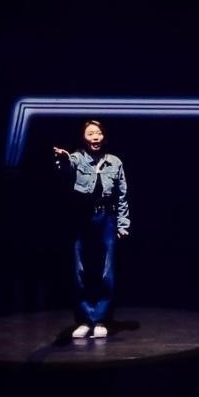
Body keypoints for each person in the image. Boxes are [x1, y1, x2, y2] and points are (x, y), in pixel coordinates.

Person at [52, 119, 129, 339]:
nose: (95, 137)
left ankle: (101, 319)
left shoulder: (115, 162)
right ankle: (85, 320)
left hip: (106, 218)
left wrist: (123, 223)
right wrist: (63, 159)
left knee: (106, 270)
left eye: (98, 133)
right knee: (81, 270)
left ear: (104, 136)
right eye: (90, 133)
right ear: (83, 138)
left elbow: (122, 195)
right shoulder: (77, 158)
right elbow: (67, 167)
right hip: (81, 218)